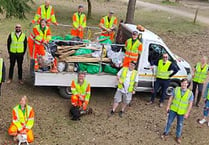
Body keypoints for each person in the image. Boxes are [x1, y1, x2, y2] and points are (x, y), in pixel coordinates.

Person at [161, 78, 193, 144]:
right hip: (173, 109)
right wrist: (168, 106)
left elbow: (190, 104)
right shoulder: (176, 89)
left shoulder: (190, 93)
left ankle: (178, 136)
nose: (184, 84)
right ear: (181, 83)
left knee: (180, 124)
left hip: (181, 112)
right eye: (182, 83)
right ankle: (165, 133)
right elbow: (171, 98)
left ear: (187, 84)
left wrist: (187, 113)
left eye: (185, 83)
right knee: (169, 122)